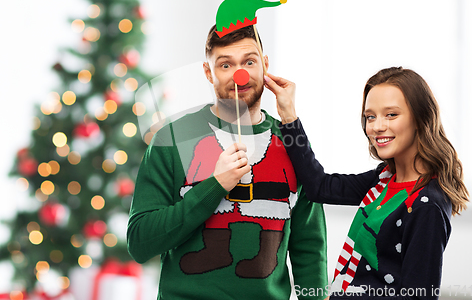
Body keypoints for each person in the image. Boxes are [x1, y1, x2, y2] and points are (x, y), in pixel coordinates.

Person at [127, 25, 328, 299]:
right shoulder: (172, 139)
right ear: (209, 72)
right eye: (225, 64)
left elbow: (309, 248)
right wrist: (215, 186)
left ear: (264, 65)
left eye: (249, 61)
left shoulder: (294, 143)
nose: (240, 75)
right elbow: (140, 243)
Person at [264, 67, 469, 299]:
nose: (377, 126)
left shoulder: (426, 205)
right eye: (370, 116)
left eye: (391, 114)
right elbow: (319, 186)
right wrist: (289, 117)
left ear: (421, 118)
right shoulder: (383, 180)